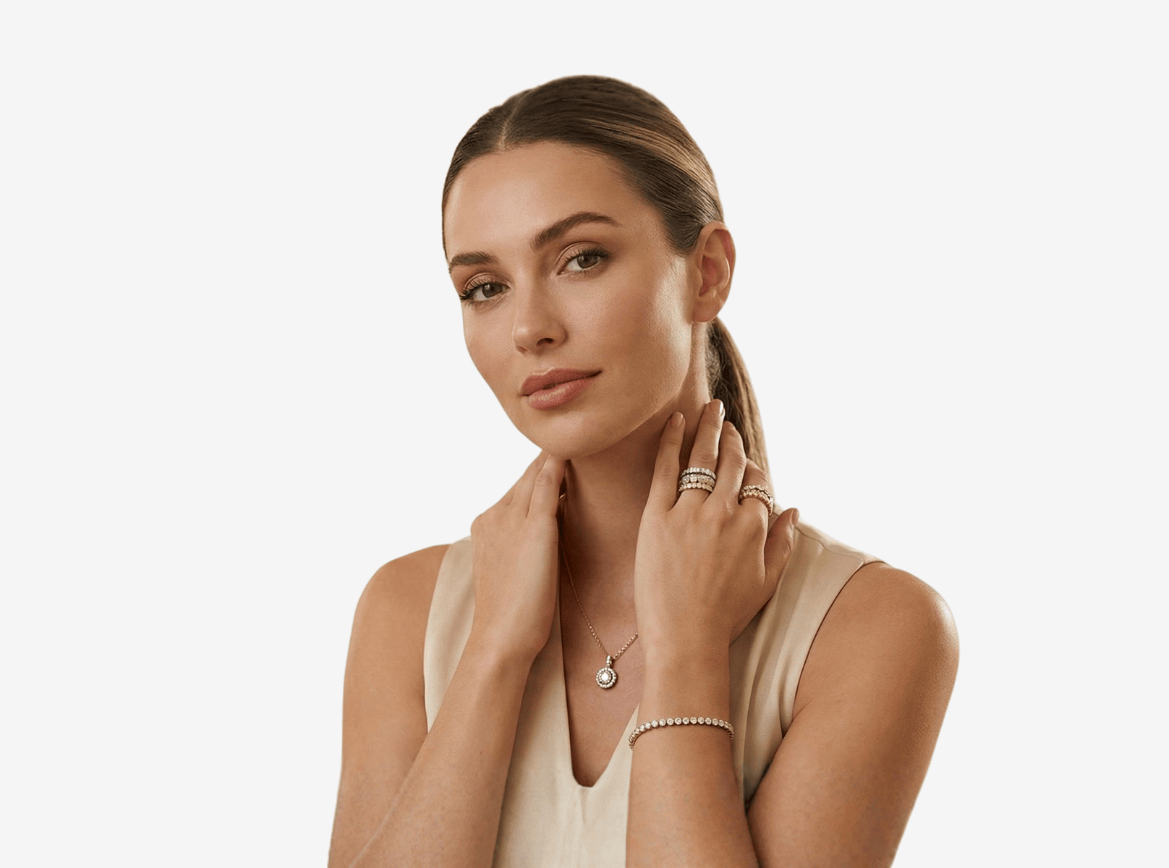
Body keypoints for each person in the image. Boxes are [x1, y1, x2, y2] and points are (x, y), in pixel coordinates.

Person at [327, 75, 960, 868]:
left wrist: (686, 654)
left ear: (707, 272)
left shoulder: (872, 626)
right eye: (485, 288)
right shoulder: (406, 612)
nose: (529, 327)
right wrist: (492, 652)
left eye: (581, 259)